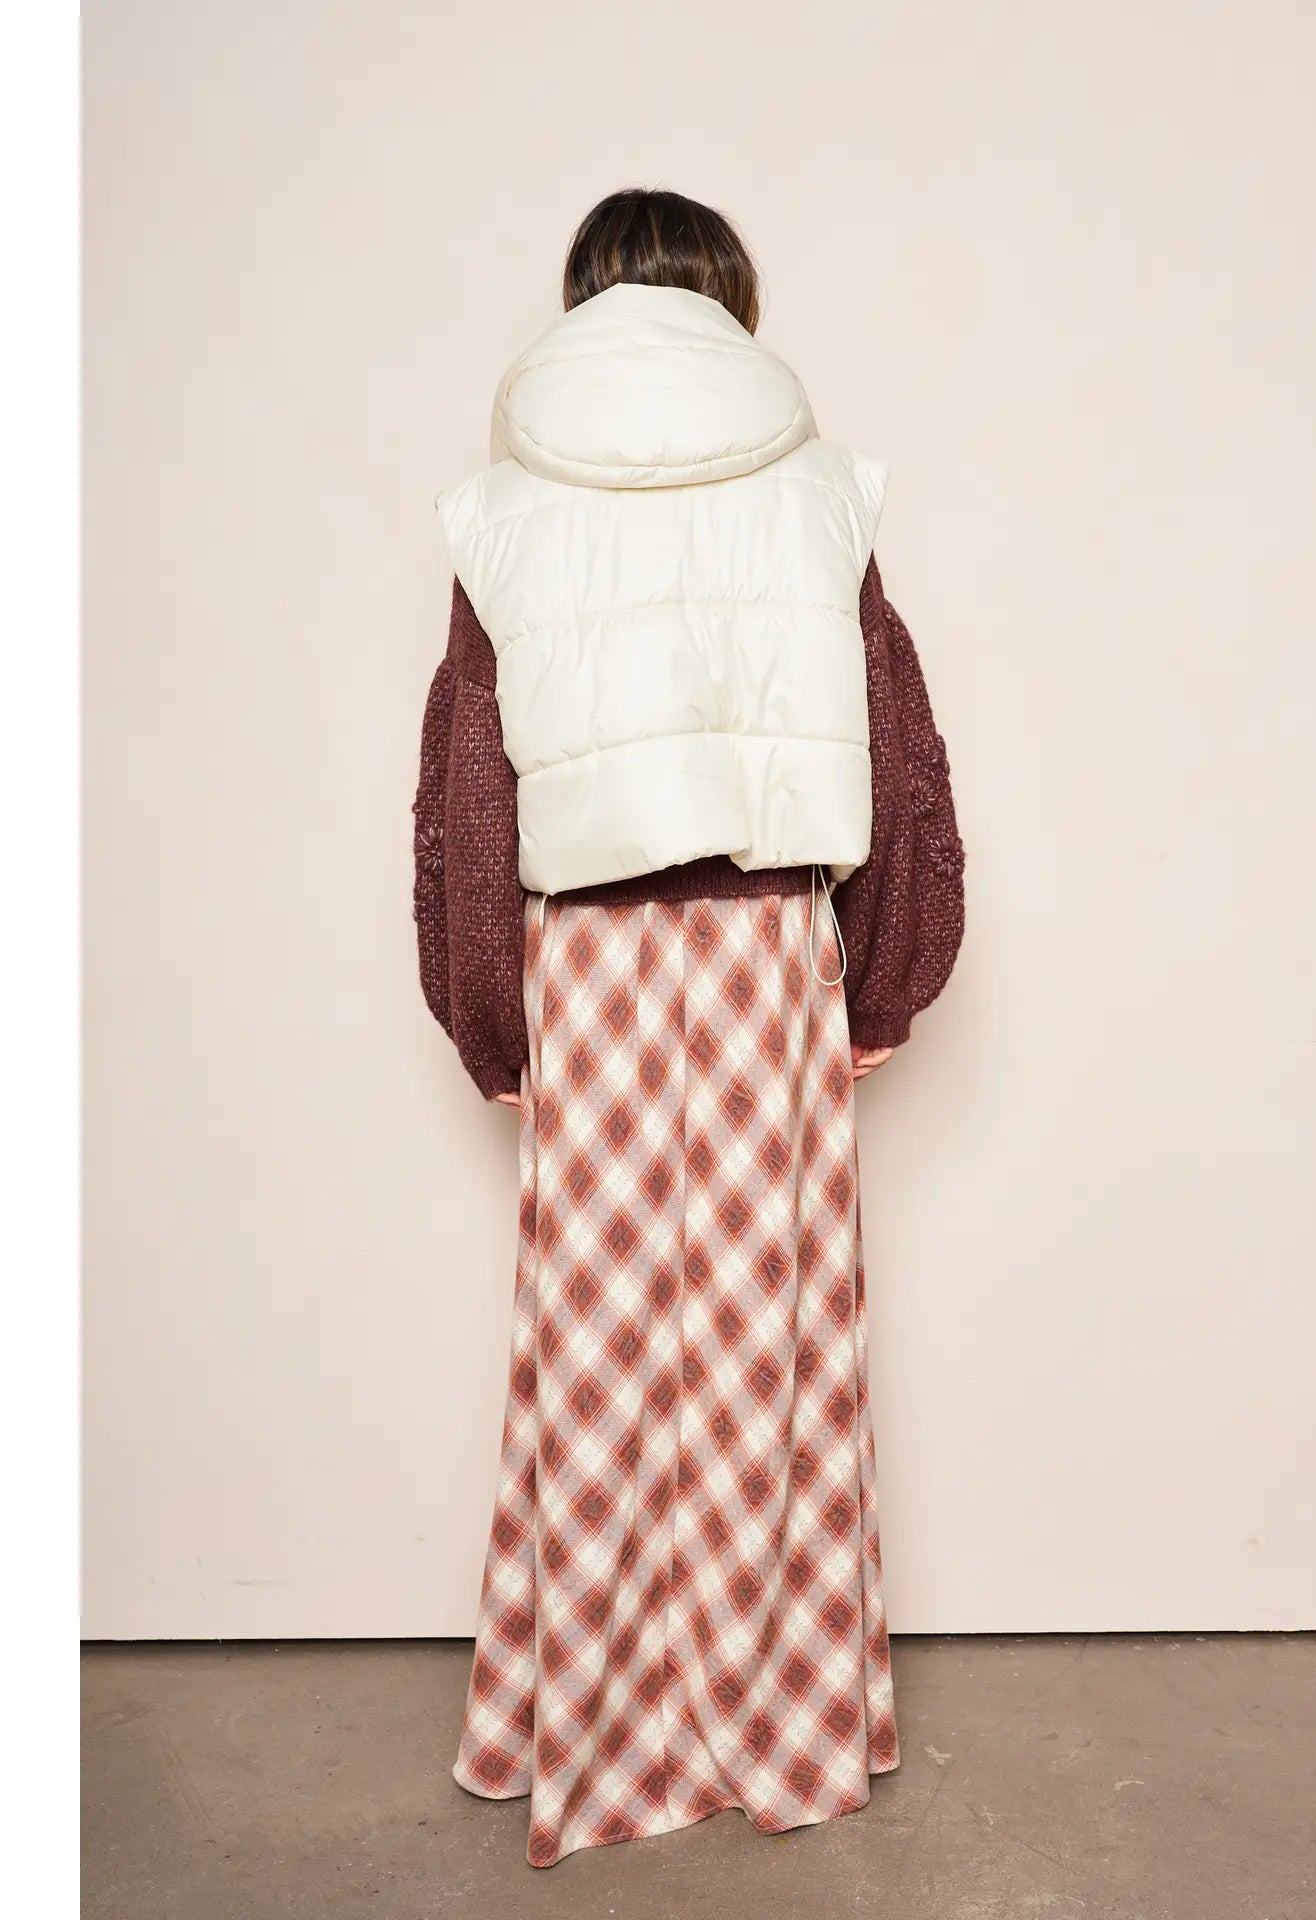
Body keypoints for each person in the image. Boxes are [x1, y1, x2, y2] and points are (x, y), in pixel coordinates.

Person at [412, 186, 965, 1868]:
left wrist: (490, 1016)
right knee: (769, 1339)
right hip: (761, 950)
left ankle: (581, 1719)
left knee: (592, 1341)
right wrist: (885, 977)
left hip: (585, 954)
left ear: (582, 297)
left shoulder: (506, 501)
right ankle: (778, 1715)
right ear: (732, 301)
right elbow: (897, 744)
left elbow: (467, 785)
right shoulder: (815, 484)